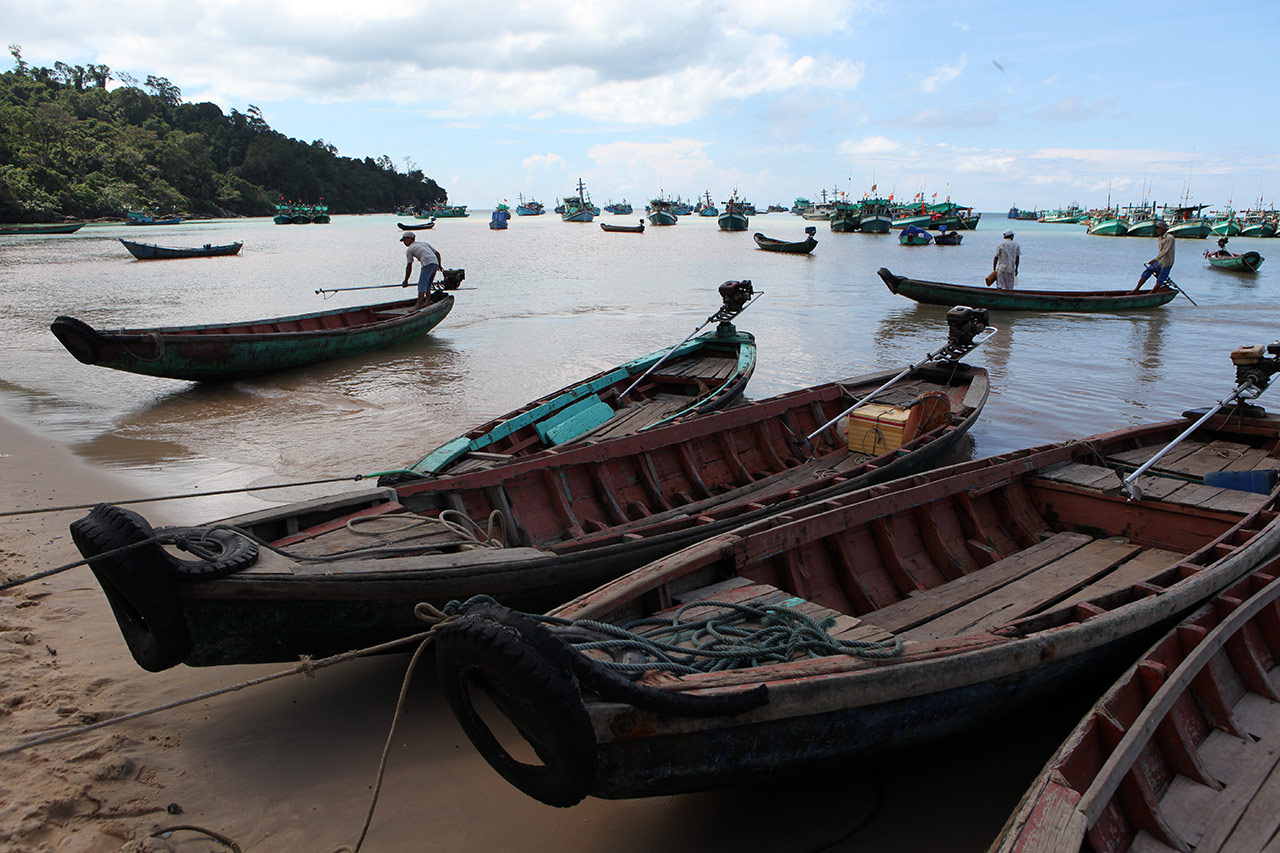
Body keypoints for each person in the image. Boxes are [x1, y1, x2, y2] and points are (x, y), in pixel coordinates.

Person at [400, 232, 441, 309]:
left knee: (421, 285)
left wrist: (406, 280)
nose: (404, 242)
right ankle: (428, 301)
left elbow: (409, 266)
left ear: (410, 239)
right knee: (428, 284)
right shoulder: (424, 243)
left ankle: (418, 305)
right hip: (435, 262)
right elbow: (437, 253)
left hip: (427, 263)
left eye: (405, 240)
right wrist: (439, 265)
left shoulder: (410, 249)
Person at [1135, 221, 1174, 291]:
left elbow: (1165, 251)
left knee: (1161, 278)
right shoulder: (1160, 238)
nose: (1158, 230)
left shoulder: (1169, 238)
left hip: (1167, 262)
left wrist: (1155, 260)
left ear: (1164, 229)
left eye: (1159, 228)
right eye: (1157, 229)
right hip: (1160, 261)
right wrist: (1156, 260)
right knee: (1148, 270)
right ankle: (1136, 290)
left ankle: (1152, 293)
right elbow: (1161, 251)